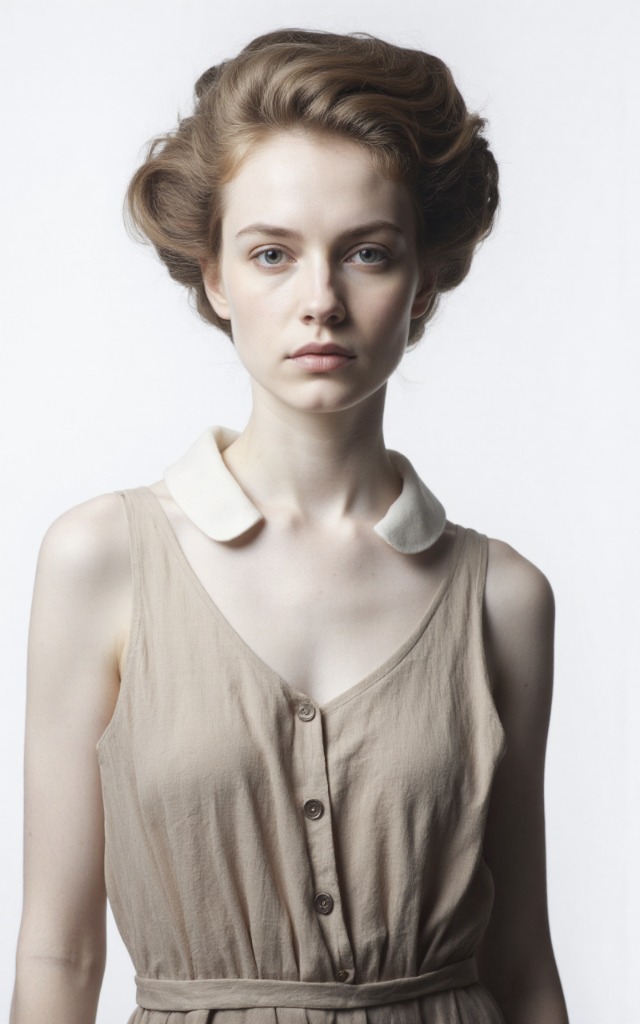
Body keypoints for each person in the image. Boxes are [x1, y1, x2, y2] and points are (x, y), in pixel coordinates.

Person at [10, 28, 569, 1024]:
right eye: (272, 254)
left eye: (366, 253)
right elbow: (59, 951)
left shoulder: (503, 597)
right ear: (216, 279)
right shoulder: (103, 560)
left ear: (424, 280)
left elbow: (522, 959)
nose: (320, 302)